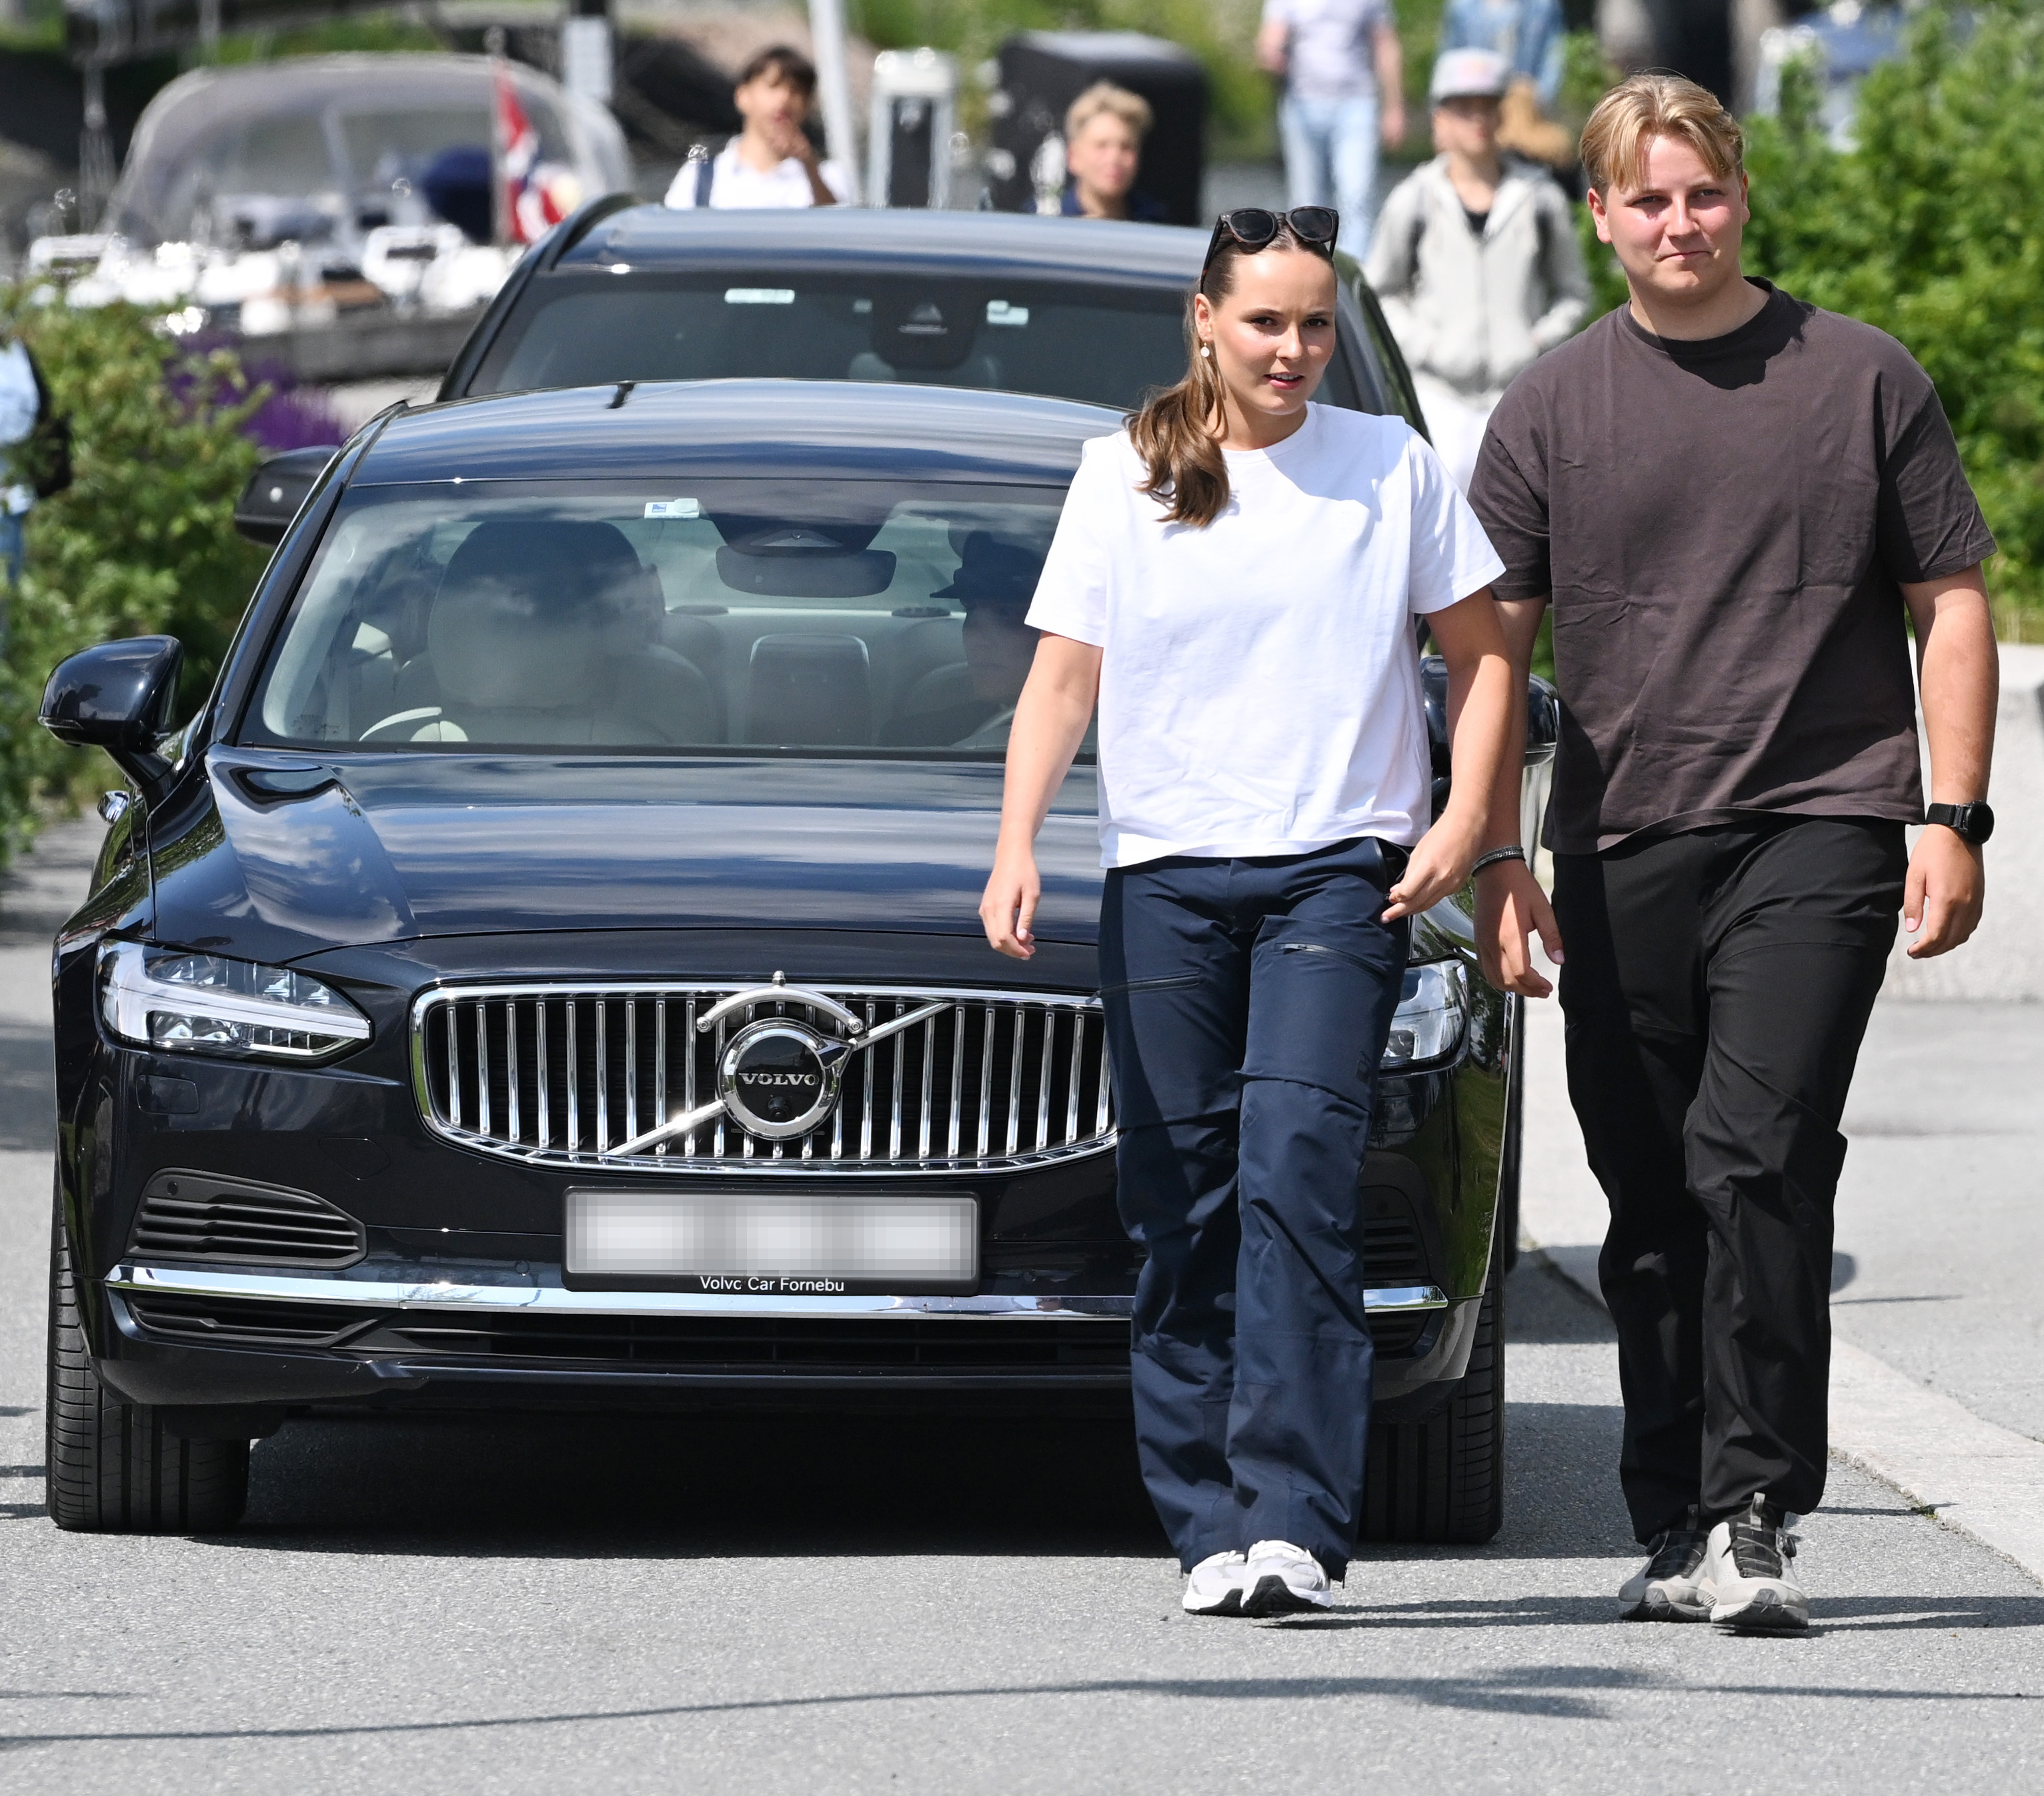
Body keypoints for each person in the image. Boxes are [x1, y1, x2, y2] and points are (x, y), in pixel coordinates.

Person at [1467, 73, 2000, 1632]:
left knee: (1755, 1158)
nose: (1675, 222)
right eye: (1643, 199)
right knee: (1643, 1195)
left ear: (1738, 194)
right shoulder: (1550, 404)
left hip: (1814, 820)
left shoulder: (1856, 377)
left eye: (1697, 192)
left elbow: (1947, 598)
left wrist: (1948, 814)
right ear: (1597, 218)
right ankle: (1671, 1509)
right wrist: (1493, 851)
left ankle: (1753, 1503)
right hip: (1620, 837)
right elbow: (1490, 642)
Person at [980, 204, 1518, 1617]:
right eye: (1265, 320)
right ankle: (1202, 1518)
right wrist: (1015, 841)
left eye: (1313, 324)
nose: (1291, 349)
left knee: (1293, 1172)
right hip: (1163, 873)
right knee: (1181, 1198)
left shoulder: (1388, 466)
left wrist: (1464, 819)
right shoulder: (1121, 476)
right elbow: (1059, 680)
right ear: (1203, 321)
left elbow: (1483, 653)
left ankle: (1290, 1515)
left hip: (1333, 872)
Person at [1366, 47, 1589, 492]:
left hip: (1517, 391)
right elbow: (1381, 290)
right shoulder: (1413, 200)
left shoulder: (1539, 198)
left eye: (1487, 107)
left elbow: (1573, 291)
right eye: (1463, 109)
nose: (1477, 120)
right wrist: (1425, 345)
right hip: (1437, 396)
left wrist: (1538, 341)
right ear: (1439, 120)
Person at [1256, 0, 1406, 253]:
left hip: (1357, 105)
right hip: (1303, 105)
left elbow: (1385, 44)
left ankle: (1354, 272)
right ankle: (1309, 270)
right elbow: (1271, 36)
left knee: (1357, 198)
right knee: (1306, 203)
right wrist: (1271, 54)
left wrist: (1394, 107)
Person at [664, 46, 849, 211]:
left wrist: (810, 169)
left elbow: (840, 230)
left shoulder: (827, 177)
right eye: (773, 86)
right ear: (742, 96)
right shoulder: (702, 175)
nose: (784, 98)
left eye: (796, 91)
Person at [1060, 82, 1166, 221]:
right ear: (1073, 156)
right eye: (1101, 146)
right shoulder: (1043, 220)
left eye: (1126, 147)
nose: (1114, 158)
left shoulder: (1156, 223)